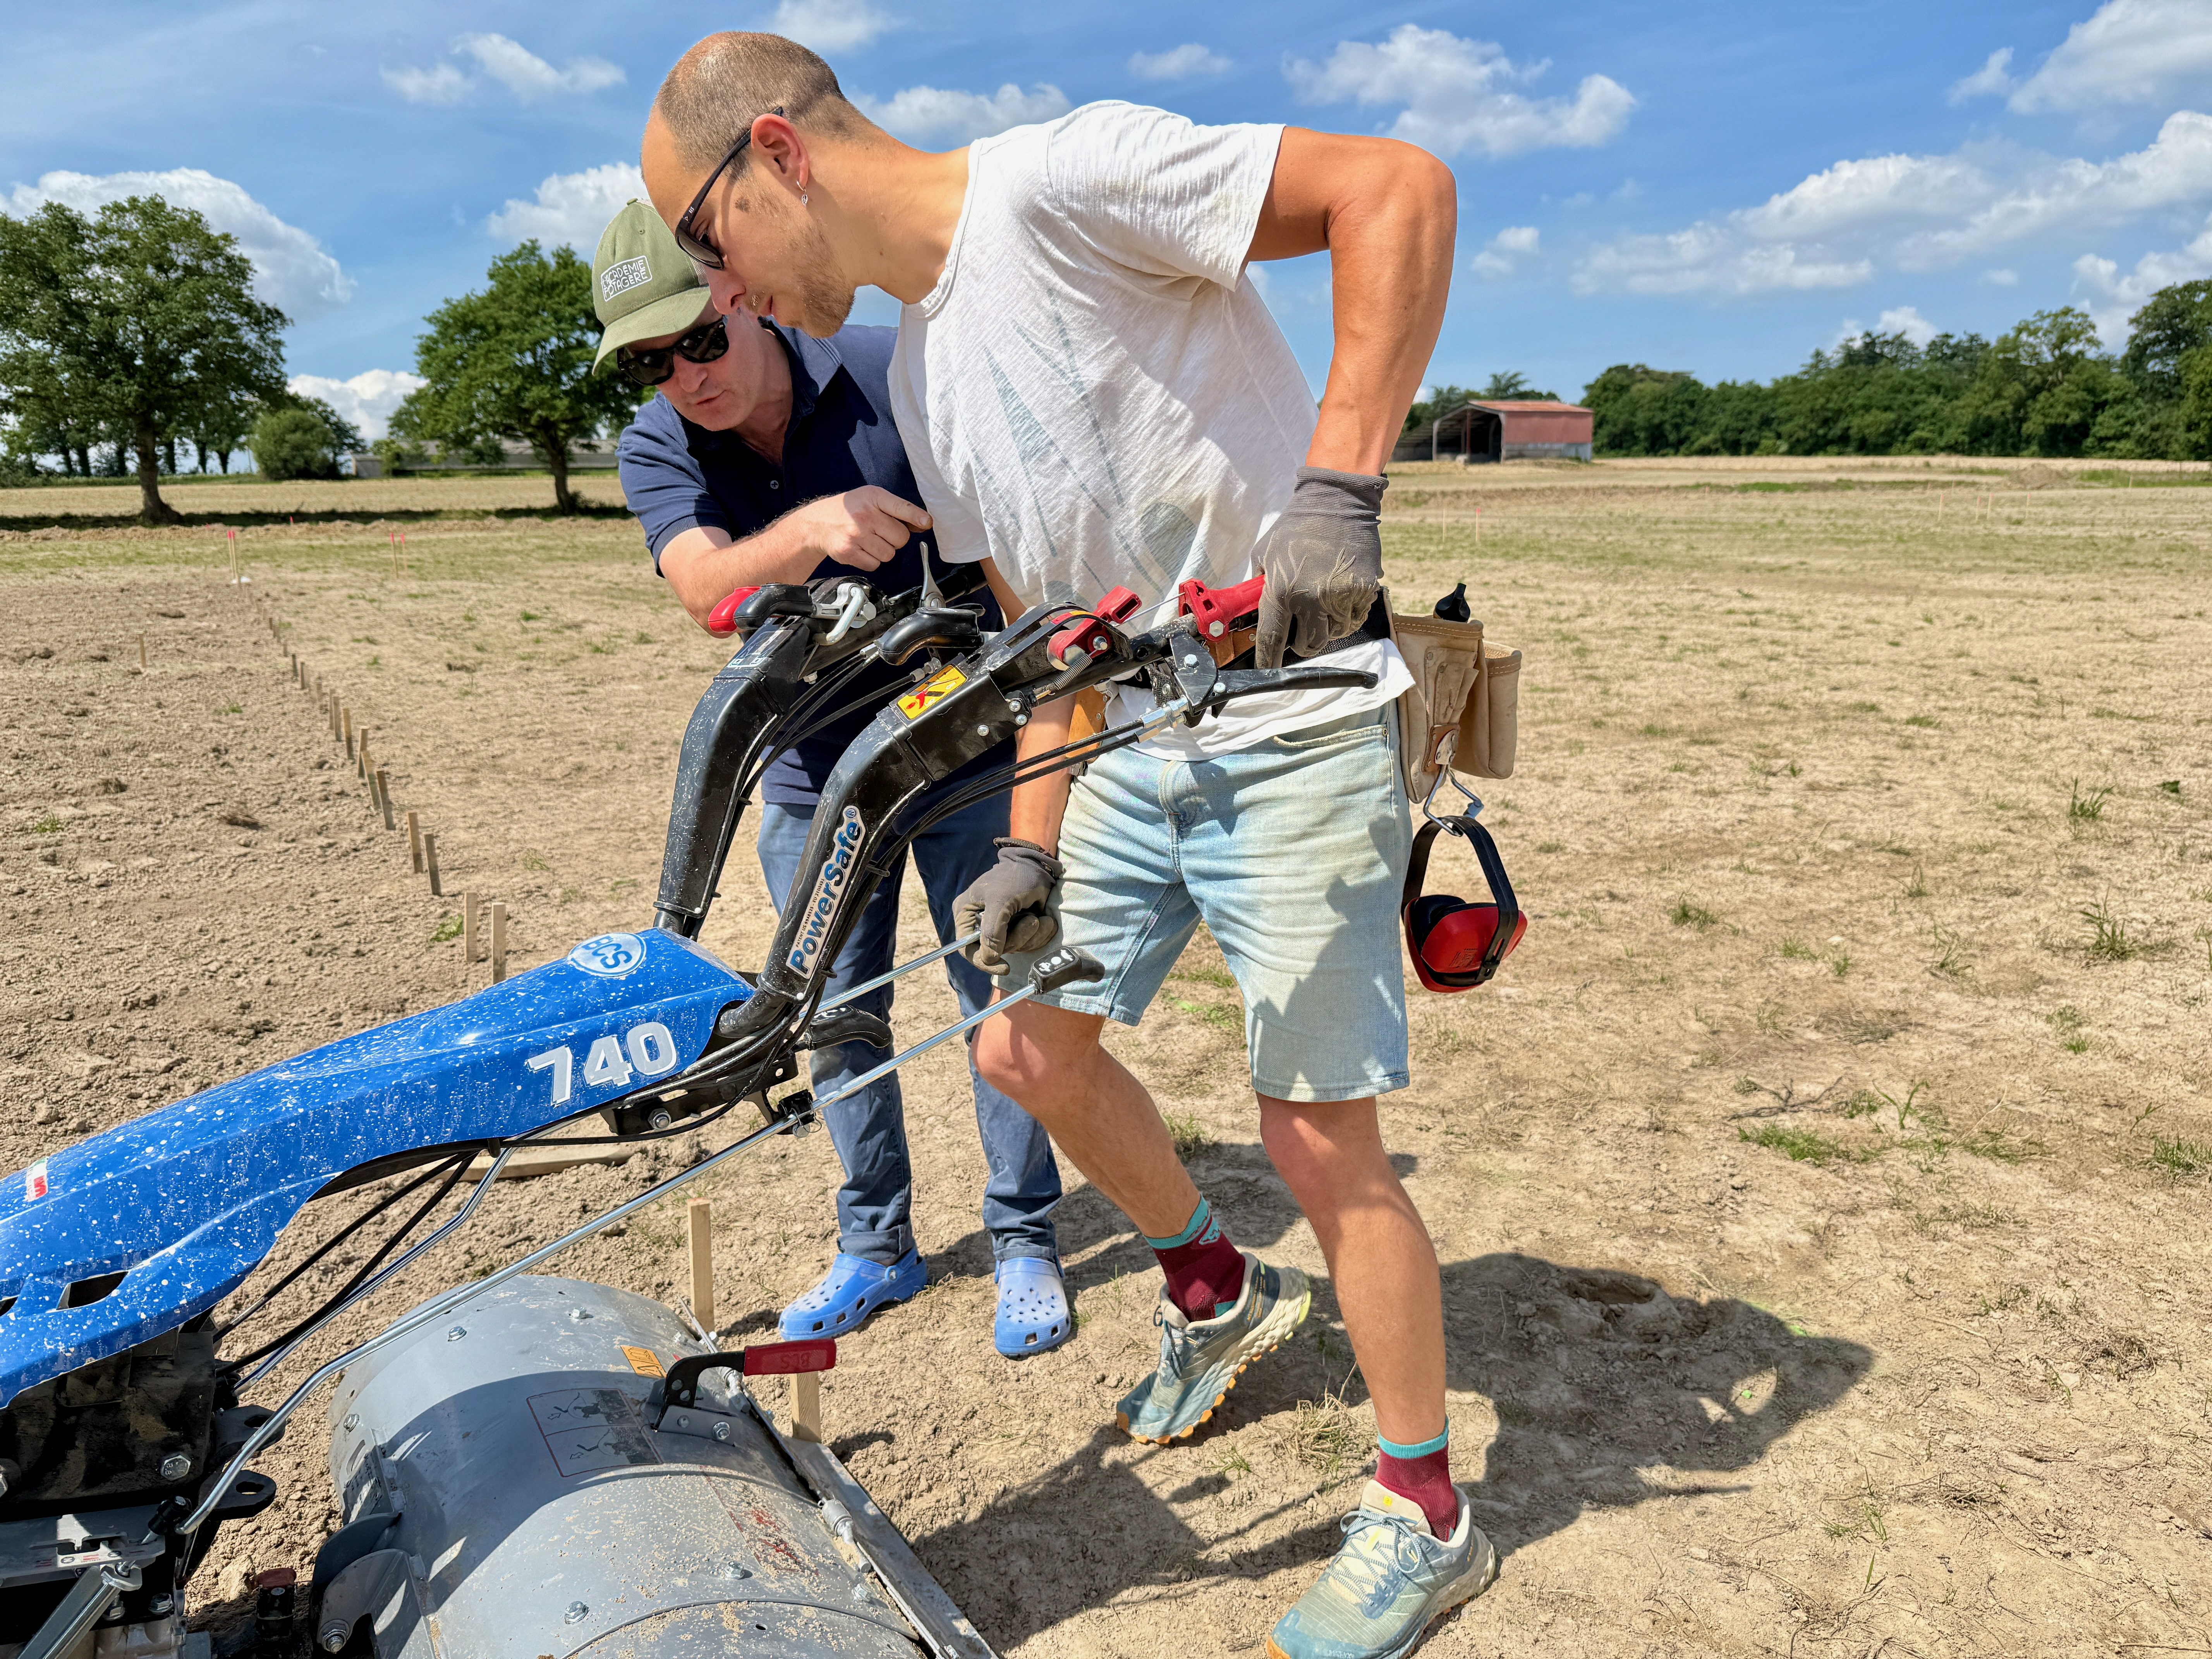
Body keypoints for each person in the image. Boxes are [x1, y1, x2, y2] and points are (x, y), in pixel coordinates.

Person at [639, 36, 1485, 1659]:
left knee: (1317, 1137)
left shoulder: (1066, 179)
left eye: (705, 237)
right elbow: (1048, 639)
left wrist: (1339, 494)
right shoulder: (930, 375)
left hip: (1293, 726)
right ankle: (1214, 1287)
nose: (714, 283)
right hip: (1126, 752)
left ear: (775, 155)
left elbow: (1398, 188)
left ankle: (1426, 1508)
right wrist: (1028, 848)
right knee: (1024, 1041)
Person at [592, 199, 1072, 1359]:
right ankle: (877, 1245)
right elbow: (705, 588)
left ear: (747, 298)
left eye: (700, 340)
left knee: (999, 989)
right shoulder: (659, 444)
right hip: (813, 777)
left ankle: (1025, 1238)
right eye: (651, 361)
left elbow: (1012, 539)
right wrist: (814, 525)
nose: (687, 377)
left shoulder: (882, 367)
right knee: (831, 1016)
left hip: (959, 748)